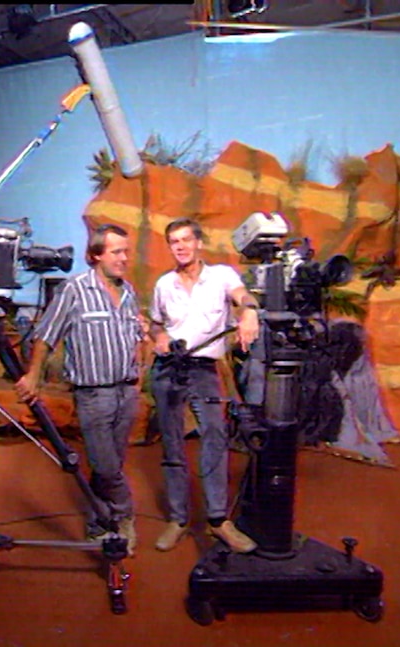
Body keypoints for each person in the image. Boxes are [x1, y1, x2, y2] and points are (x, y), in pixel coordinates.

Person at [14, 223, 143, 557]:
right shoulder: (74, 289)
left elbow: (134, 338)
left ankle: (98, 523)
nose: (124, 258)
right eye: (116, 251)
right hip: (93, 395)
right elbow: (46, 334)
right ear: (95, 255)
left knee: (112, 462)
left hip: (126, 394)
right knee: (105, 467)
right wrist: (33, 375)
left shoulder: (129, 292)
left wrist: (138, 378)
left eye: (126, 251)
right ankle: (125, 516)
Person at [149, 217, 261, 554]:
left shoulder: (222, 276)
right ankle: (178, 519)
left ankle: (217, 520)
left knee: (215, 438)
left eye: (185, 239)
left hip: (204, 370)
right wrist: (160, 336)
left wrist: (250, 314)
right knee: (172, 444)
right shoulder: (163, 284)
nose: (180, 246)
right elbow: (155, 324)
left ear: (199, 242)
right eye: (173, 241)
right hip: (168, 368)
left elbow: (243, 296)